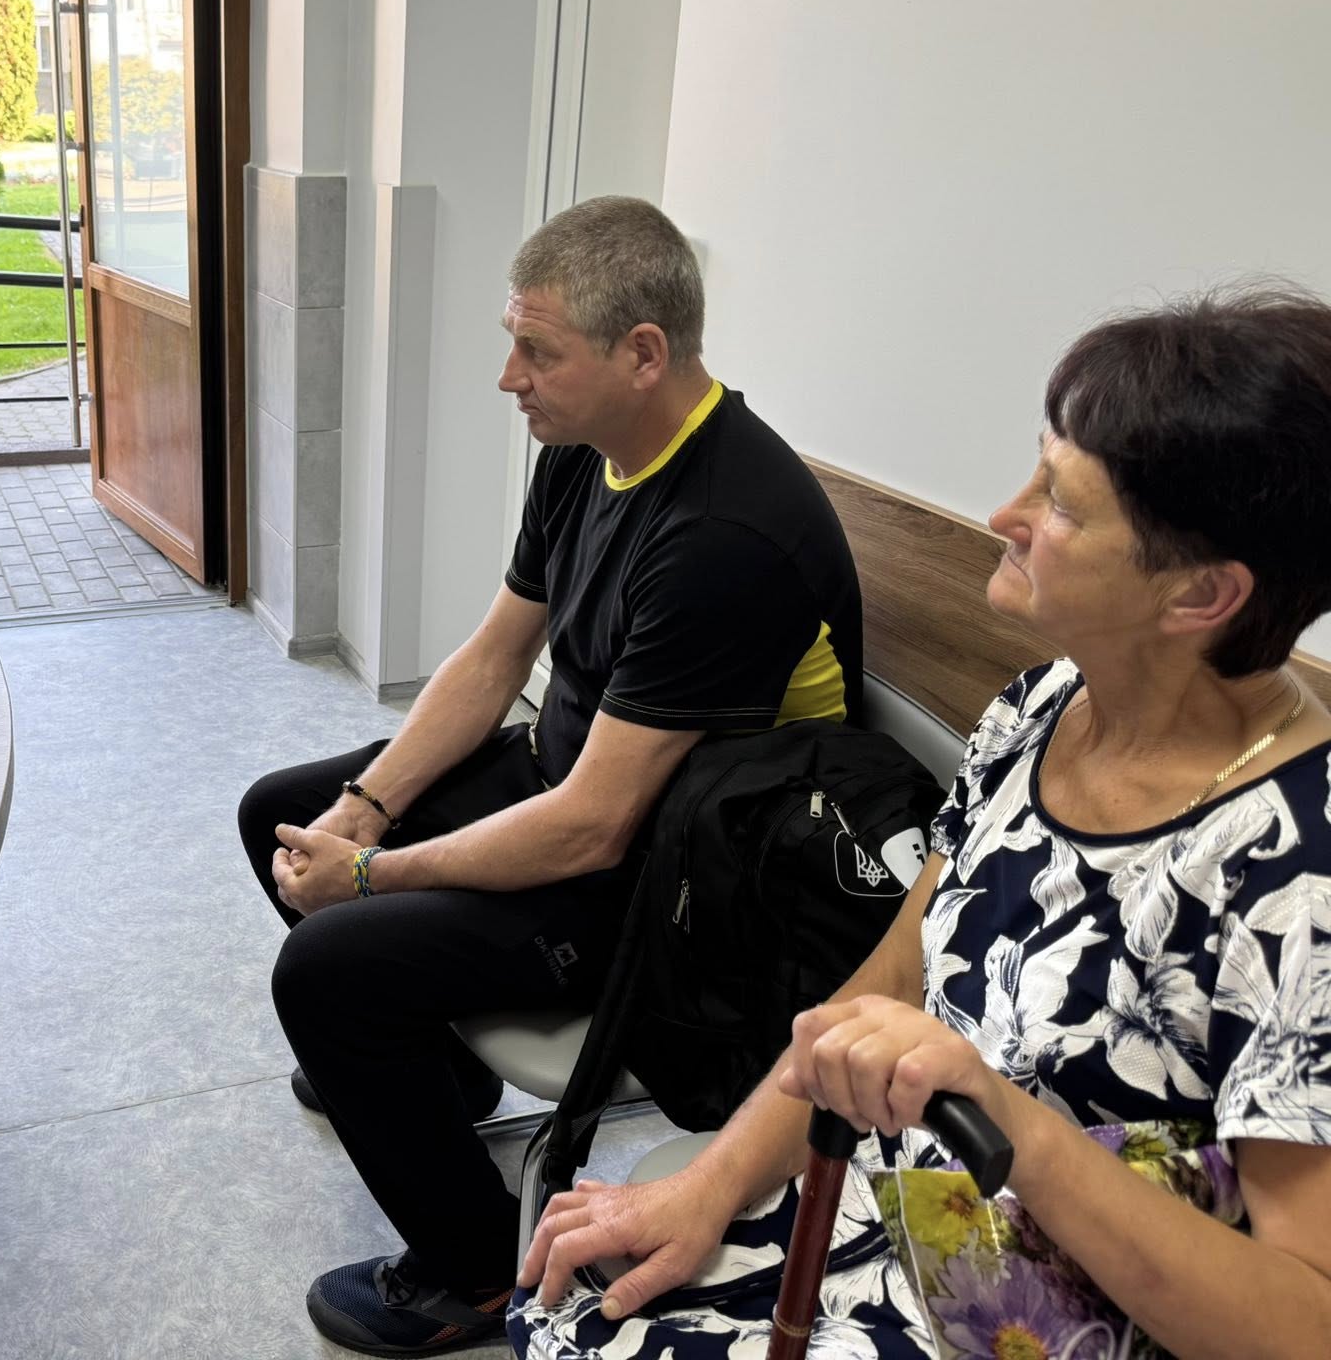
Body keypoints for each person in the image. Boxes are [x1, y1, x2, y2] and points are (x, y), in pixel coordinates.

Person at [514, 286, 1331, 1359]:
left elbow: (1302, 1322)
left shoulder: (1299, 877)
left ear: (1199, 597)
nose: (1005, 515)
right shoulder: (1043, 707)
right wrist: (706, 1186)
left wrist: (1014, 1130)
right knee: (571, 1305)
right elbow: (890, 980)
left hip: (1057, 1313)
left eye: (1061, 504)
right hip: (891, 1210)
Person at [236, 196, 866, 1355]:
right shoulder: (588, 454)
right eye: (509, 340)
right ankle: (431, 1077)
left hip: (667, 889)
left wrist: (367, 876)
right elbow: (492, 659)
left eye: (536, 350)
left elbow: (592, 828)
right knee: (280, 813)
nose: (506, 378)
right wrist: (363, 809)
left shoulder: (724, 534)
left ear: (642, 354)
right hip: (570, 786)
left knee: (324, 971)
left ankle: (476, 1272)